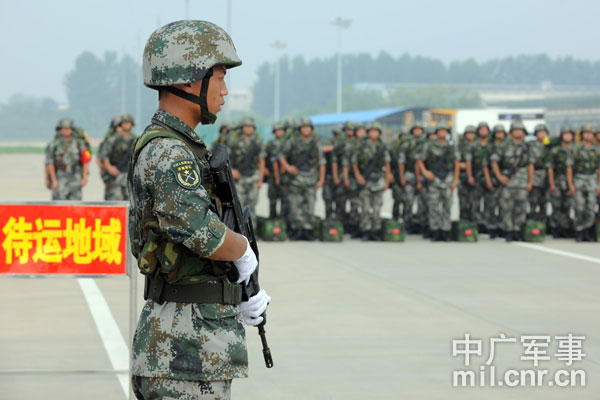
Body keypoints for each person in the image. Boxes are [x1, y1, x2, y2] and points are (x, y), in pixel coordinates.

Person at [128, 20, 270, 399]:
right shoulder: (172, 152)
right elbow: (199, 231)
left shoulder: (177, 146)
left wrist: (238, 290)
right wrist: (244, 254)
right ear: (190, 79)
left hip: (188, 342)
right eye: (219, 78)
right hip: (185, 351)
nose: (225, 91)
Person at [279, 117, 325, 240]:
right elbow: (281, 156)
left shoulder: (315, 144)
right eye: (304, 127)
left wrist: (321, 179)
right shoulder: (293, 142)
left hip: (310, 177)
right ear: (300, 129)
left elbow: (322, 162)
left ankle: (308, 230)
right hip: (296, 178)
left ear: (311, 129)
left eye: (308, 127)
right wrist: (288, 167)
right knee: (295, 204)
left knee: (310, 205)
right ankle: (297, 229)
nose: (306, 129)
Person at [490, 121, 534, 242]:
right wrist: (499, 176)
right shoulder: (504, 145)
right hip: (507, 181)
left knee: (521, 207)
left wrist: (530, 182)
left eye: (520, 130)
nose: (518, 132)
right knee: (506, 207)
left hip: (522, 181)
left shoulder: (527, 147)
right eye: (515, 130)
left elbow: (530, 165)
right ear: (511, 132)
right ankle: (508, 230)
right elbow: (494, 161)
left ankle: (517, 230)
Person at [416, 121, 460, 241]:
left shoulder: (452, 146)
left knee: (447, 205)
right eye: (440, 131)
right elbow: (420, 160)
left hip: (447, 178)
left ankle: (445, 231)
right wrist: (425, 172)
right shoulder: (429, 145)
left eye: (444, 131)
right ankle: (434, 230)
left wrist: (455, 180)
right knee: (433, 206)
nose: (442, 133)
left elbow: (456, 164)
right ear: (436, 133)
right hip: (434, 178)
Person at [352, 122, 391, 240]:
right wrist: (358, 176)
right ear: (368, 133)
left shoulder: (382, 147)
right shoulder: (361, 145)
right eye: (372, 131)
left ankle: (375, 230)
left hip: (378, 180)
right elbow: (354, 162)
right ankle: (366, 230)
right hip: (365, 179)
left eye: (376, 131)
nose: (374, 133)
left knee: (377, 208)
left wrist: (387, 181)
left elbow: (387, 164)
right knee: (365, 207)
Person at [227, 117, 265, 226]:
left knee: (252, 205)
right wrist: (232, 171)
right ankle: (240, 229)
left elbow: (261, 161)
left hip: (253, 176)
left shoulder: (257, 142)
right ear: (242, 128)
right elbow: (227, 158)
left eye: (250, 127)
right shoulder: (234, 141)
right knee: (239, 204)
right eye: (246, 126)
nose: (248, 129)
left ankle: (252, 229)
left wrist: (260, 179)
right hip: (239, 177)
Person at [45, 118, 90, 200]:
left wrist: (84, 177)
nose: (66, 131)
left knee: (76, 206)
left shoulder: (79, 143)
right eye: (64, 129)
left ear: (72, 130)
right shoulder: (54, 144)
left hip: (75, 177)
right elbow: (49, 163)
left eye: (69, 129)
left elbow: (85, 161)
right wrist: (53, 180)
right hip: (60, 177)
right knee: (59, 205)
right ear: (60, 130)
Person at [572, 124, 600, 241]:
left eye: (590, 133)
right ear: (582, 135)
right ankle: (579, 230)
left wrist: (599, 184)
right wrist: (571, 184)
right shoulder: (576, 149)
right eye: (585, 133)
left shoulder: (597, 150)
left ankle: (588, 230)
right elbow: (570, 168)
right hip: (579, 179)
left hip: (592, 179)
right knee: (579, 206)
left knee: (591, 206)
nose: (588, 135)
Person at [547, 125, 575, 238]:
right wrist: (552, 183)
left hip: (572, 181)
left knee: (567, 205)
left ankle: (566, 228)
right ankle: (555, 228)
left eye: (569, 134)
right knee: (556, 205)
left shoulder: (575, 150)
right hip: (558, 180)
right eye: (565, 134)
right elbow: (550, 168)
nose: (567, 136)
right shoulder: (555, 150)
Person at [101, 113, 137, 200]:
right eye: (124, 123)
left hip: (130, 175)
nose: (126, 124)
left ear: (132, 124)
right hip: (116, 174)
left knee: (131, 203)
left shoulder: (136, 140)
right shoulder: (113, 139)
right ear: (121, 124)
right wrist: (110, 168)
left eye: (128, 122)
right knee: (115, 201)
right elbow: (104, 155)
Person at [397, 122, 425, 231]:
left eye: (420, 129)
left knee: (422, 202)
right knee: (408, 201)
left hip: (423, 175)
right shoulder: (406, 144)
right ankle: (407, 223)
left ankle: (421, 223)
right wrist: (402, 177)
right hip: (409, 174)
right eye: (416, 129)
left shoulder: (426, 143)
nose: (418, 131)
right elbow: (401, 161)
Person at [469, 122, 495, 236]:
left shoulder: (492, 145)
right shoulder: (473, 145)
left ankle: (488, 224)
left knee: (490, 201)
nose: (483, 132)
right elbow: (469, 161)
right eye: (481, 130)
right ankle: (477, 224)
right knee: (475, 202)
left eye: (486, 130)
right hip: (477, 176)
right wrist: (470, 176)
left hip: (490, 176)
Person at [331, 121, 354, 225]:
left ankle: (354, 224)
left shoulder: (357, 142)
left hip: (354, 175)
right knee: (341, 200)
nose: (350, 132)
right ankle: (341, 222)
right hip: (341, 174)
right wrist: (336, 176)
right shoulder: (340, 143)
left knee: (355, 201)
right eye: (348, 130)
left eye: (352, 130)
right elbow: (334, 160)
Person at [528, 123, 551, 222]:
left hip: (547, 176)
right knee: (533, 201)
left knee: (544, 202)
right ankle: (532, 222)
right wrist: (530, 180)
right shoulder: (532, 146)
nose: (542, 134)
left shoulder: (550, 146)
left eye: (544, 132)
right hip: (535, 175)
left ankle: (543, 223)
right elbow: (530, 164)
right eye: (539, 132)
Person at [264, 122, 286, 218]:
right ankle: (272, 222)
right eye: (278, 130)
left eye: (281, 130)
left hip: (285, 177)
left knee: (285, 201)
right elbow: (262, 158)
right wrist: (264, 169)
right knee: (272, 201)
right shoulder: (269, 144)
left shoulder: (288, 143)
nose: (280, 132)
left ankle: (283, 223)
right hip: (272, 176)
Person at [457, 125, 476, 221]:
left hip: (476, 176)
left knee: (473, 203)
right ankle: (463, 221)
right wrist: (461, 165)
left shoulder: (477, 145)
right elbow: (455, 161)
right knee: (463, 202)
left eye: (473, 133)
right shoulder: (460, 146)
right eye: (469, 133)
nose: (471, 135)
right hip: (462, 176)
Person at [322, 127, 339, 219]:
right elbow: (323, 149)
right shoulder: (329, 143)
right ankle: (328, 219)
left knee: (339, 200)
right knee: (328, 199)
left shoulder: (345, 145)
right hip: (328, 176)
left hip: (340, 177)